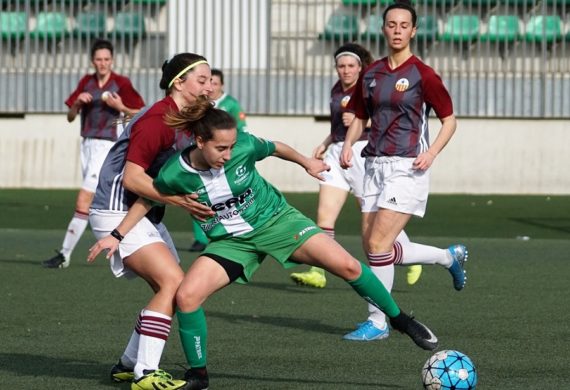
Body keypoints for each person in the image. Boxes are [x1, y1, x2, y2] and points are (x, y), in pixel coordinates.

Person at [90, 96, 440, 390]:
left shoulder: (242, 145)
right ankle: (198, 373)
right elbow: (147, 199)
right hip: (231, 242)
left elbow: (274, 147)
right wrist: (117, 235)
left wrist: (306, 162)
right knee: (186, 295)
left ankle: (400, 321)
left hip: (278, 223)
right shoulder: (173, 173)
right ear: (199, 142)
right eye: (220, 148)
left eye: (231, 146)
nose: (228, 154)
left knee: (347, 265)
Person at [339, 0, 468, 342]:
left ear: (414, 30)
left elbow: (449, 121)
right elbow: (360, 116)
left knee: (380, 243)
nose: (397, 30)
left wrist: (432, 152)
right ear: (384, 29)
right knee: (374, 247)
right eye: (391, 24)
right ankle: (446, 257)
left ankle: (378, 321)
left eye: (403, 25)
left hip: (407, 165)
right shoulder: (372, 73)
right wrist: (350, 144)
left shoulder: (423, 74)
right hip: (373, 164)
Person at [86, 53, 215, 390]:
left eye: (210, 80)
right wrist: (178, 201)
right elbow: (132, 180)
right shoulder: (157, 120)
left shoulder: (185, 120)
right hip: (116, 209)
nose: (208, 86)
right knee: (173, 281)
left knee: (171, 289)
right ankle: (146, 373)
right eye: (201, 80)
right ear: (178, 83)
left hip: (143, 212)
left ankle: (128, 365)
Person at [289, 43, 424, 290]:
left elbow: (388, 117)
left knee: (372, 216)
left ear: (360, 67)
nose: (346, 71)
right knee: (324, 215)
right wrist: (325, 142)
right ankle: (318, 272)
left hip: (362, 153)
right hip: (336, 153)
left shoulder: (368, 87)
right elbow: (338, 127)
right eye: (341, 66)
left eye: (351, 66)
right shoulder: (336, 89)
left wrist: (366, 121)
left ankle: (407, 253)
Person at [42, 39, 145, 269]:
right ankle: (126, 246)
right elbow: (70, 116)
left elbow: (140, 111)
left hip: (108, 146)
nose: (103, 63)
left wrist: (121, 108)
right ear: (92, 61)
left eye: (107, 59)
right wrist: (77, 103)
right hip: (87, 145)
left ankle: (65, 254)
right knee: (103, 200)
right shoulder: (86, 82)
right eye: (99, 59)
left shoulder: (121, 83)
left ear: (112, 60)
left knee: (84, 199)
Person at [188, 68, 248, 252]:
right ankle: (201, 238)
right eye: (208, 82)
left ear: (221, 85)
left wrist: (234, 154)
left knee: (228, 196)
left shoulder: (230, 104)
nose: (211, 86)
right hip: (203, 158)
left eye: (215, 83)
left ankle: (234, 232)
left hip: (224, 159)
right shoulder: (200, 105)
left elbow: (242, 130)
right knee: (198, 196)